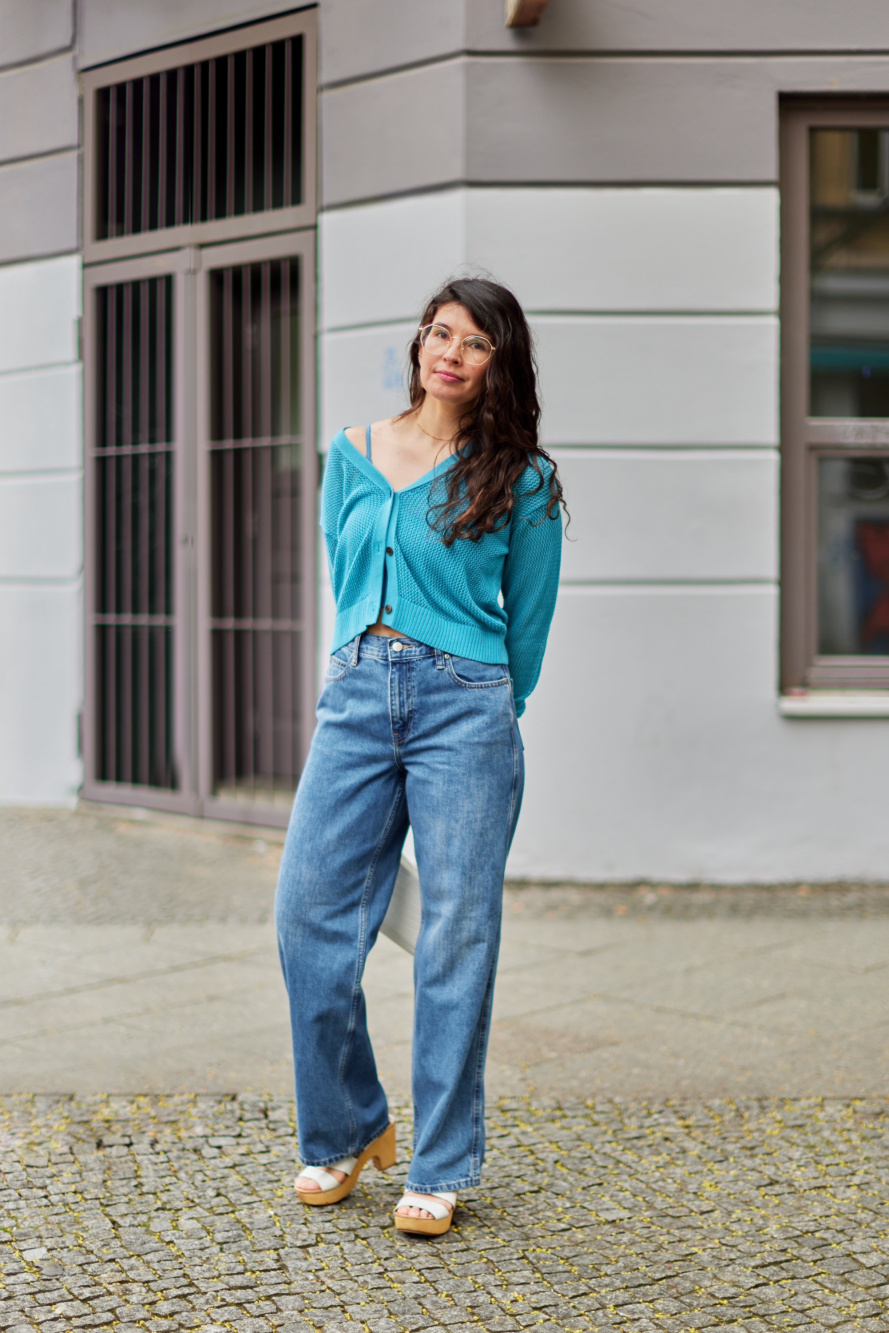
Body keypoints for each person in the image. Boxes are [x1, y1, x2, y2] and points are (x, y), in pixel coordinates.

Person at [275, 276, 565, 1236]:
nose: (449, 351)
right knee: (308, 919)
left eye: (474, 342)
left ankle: (438, 1165)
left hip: (466, 707)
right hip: (358, 695)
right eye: (439, 333)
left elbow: (528, 618)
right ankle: (350, 1125)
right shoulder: (352, 454)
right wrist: (362, 668)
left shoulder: (518, 476)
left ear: (498, 363)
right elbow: (342, 569)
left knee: (454, 937)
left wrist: (490, 705)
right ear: (419, 344)